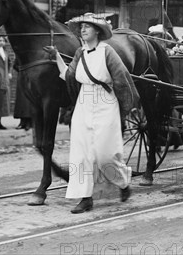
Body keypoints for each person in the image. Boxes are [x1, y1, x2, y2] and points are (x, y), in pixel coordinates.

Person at [44, 13, 138, 214]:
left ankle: (123, 183)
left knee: (105, 154)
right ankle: (85, 198)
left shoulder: (108, 52)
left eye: (88, 26)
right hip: (84, 104)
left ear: (97, 31)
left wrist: (124, 108)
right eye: (82, 27)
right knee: (81, 154)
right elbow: (69, 76)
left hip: (106, 102)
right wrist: (57, 57)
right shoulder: (80, 53)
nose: (83, 29)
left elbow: (122, 80)